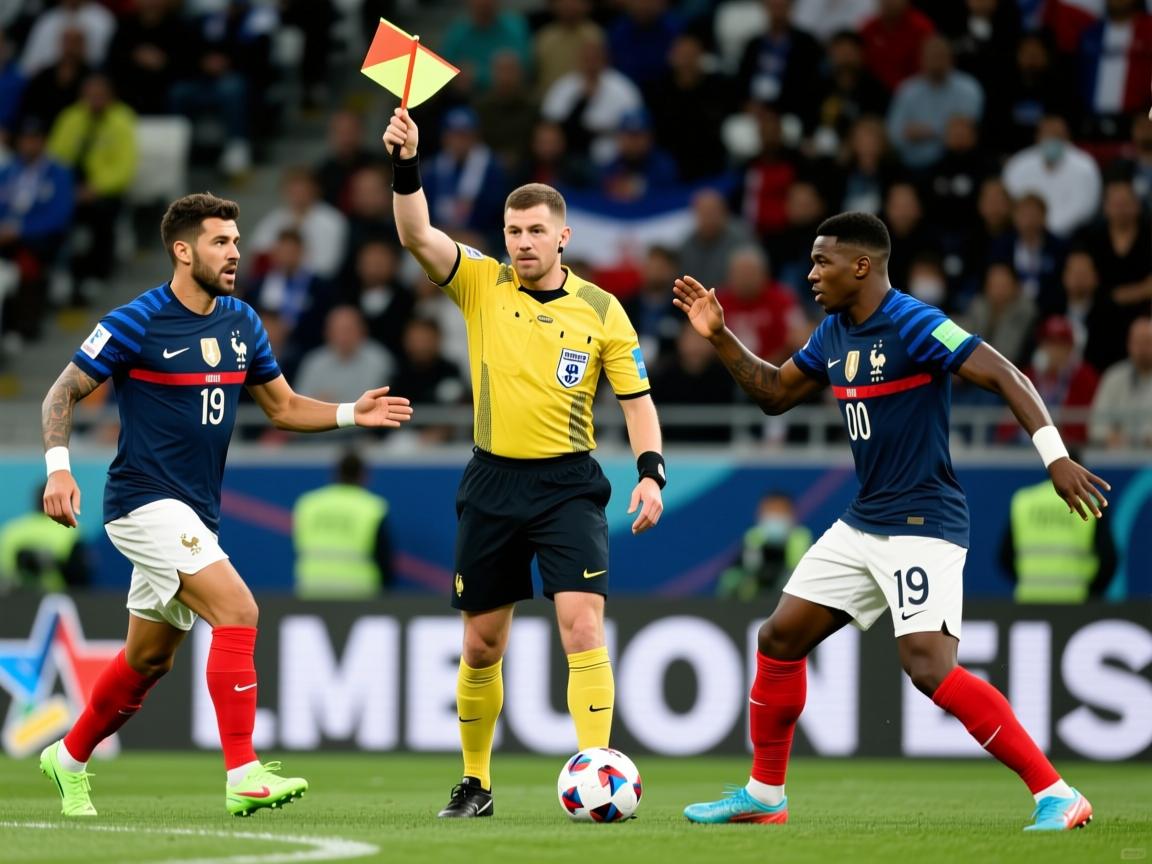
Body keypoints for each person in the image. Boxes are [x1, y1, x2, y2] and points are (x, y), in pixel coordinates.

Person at [674, 212, 1107, 831]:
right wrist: (719, 336)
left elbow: (1006, 374)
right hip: (865, 520)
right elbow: (774, 394)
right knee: (778, 639)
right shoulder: (832, 332)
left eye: (822, 262)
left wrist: (1055, 457)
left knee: (928, 666)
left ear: (861, 265)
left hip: (923, 521)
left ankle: (1057, 794)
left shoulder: (915, 322)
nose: (811, 274)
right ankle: (765, 795)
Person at [38, 192, 413, 818]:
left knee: (149, 658)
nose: (235, 252)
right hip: (142, 503)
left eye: (236, 242)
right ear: (183, 252)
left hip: (194, 512)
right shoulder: (137, 320)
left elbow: (283, 406)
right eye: (220, 242)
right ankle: (243, 772)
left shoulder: (241, 321)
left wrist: (352, 412)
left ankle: (68, 757)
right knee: (238, 608)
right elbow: (61, 392)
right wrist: (59, 469)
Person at [383, 107, 664, 819]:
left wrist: (651, 472)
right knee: (482, 645)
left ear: (563, 236)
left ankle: (598, 770)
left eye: (537, 230)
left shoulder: (602, 310)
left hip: (568, 483)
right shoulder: (481, 281)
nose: (524, 242)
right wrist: (407, 163)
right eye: (514, 231)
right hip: (491, 481)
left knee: (582, 627)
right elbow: (416, 233)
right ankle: (475, 783)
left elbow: (636, 402)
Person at [1000, 474, 1116, 604]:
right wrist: (1092, 593)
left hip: (1030, 600)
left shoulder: (1024, 501)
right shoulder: (1091, 503)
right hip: (1076, 601)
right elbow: (1108, 559)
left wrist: (1029, 581)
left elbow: (1005, 556)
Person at [292, 450, 393, 598]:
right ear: (363, 475)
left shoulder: (308, 504)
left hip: (312, 589)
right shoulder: (372, 508)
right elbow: (383, 558)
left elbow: (299, 545)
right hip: (358, 592)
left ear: (335, 473)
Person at [717, 492, 812, 603]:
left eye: (780, 511)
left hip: (790, 603)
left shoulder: (802, 539)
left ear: (792, 514)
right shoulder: (752, 538)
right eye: (770, 511)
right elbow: (731, 579)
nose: (775, 517)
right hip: (751, 603)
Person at [0, 483, 89, 592]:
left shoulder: (10, 531)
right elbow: (81, 578)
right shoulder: (72, 532)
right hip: (57, 598)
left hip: (13, 597)